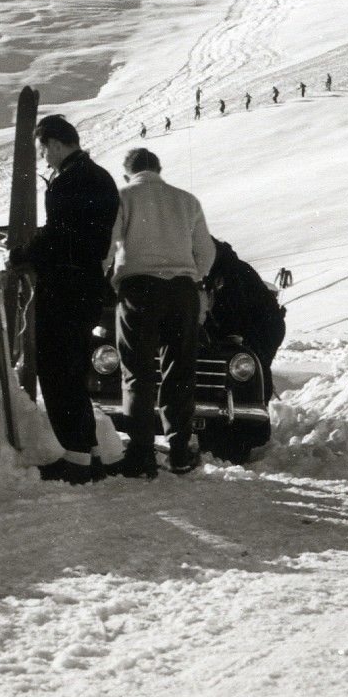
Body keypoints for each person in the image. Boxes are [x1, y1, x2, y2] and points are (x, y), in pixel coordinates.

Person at [8, 115, 119, 484]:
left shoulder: (69, 180)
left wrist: (22, 254)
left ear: (54, 143)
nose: (43, 158)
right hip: (88, 284)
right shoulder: (101, 176)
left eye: (42, 150)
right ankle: (89, 454)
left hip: (65, 286)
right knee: (73, 370)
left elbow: (58, 236)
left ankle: (76, 458)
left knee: (56, 370)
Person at [109, 147, 215, 476]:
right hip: (182, 291)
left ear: (127, 174)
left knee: (137, 372)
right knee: (180, 371)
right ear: (159, 169)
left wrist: (106, 280)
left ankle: (141, 454)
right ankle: (180, 451)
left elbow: (108, 244)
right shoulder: (187, 200)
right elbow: (206, 252)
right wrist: (192, 276)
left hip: (138, 289)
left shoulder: (123, 197)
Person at [205, 238, 287, 395]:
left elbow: (232, 311)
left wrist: (230, 336)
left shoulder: (231, 273)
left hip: (263, 327)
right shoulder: (217, 270)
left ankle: (258, 406)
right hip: (254, 324)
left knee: (253, 370)